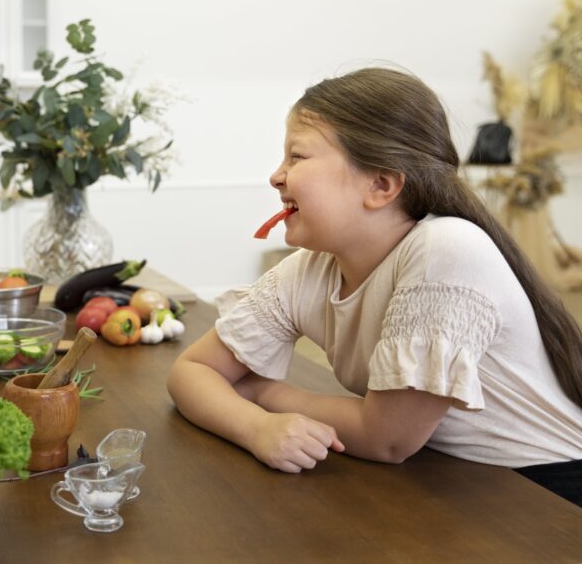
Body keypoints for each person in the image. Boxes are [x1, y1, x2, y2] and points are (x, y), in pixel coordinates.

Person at [168, 67, 582, 507]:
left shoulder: (445, 250)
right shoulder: (309, 269)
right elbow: (190, 373)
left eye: (297, 157)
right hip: (445, 477)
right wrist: (257, 428)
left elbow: (387, 439)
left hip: (546, 494)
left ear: (381, 185)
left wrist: (260, 392)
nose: (276, 176)